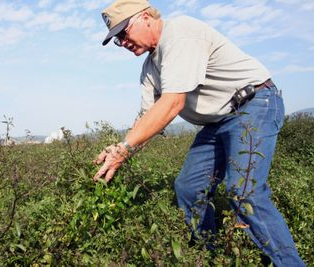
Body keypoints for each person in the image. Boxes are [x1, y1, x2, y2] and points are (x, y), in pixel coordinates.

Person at [93, 0, 306, 266]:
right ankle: (213, 256)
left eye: (124, 32)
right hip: (217, 122)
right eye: (117, 39)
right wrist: (117, 148)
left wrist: (125, 150)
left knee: (243, 192)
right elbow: (146, 121)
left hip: (253, 105)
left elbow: (172, 104)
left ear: (146, 17)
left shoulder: (180, 33)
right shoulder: (149, 70)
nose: (123, 42)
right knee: (189, 187)